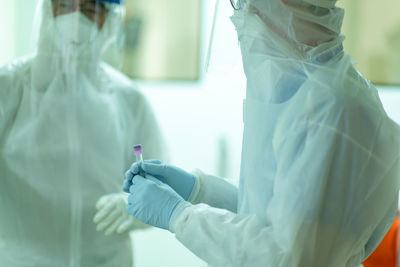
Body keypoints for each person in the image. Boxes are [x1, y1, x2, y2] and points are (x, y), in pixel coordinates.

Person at [123, 0, 400, 266]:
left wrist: (180, 216)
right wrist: (199, 190)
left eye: (245, 3)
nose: (241, 16)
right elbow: (280, 210)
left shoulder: (332, 110)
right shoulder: (313, 93)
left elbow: (288, 258)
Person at [0, 0, 166, 266]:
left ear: (110, 19)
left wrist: (135, 205)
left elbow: (159, 178)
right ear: (46, 10)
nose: (76, 19)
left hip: (107, 259)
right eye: (65, 6)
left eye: (91, 10)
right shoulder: (8, 88)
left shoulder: (128, 99)